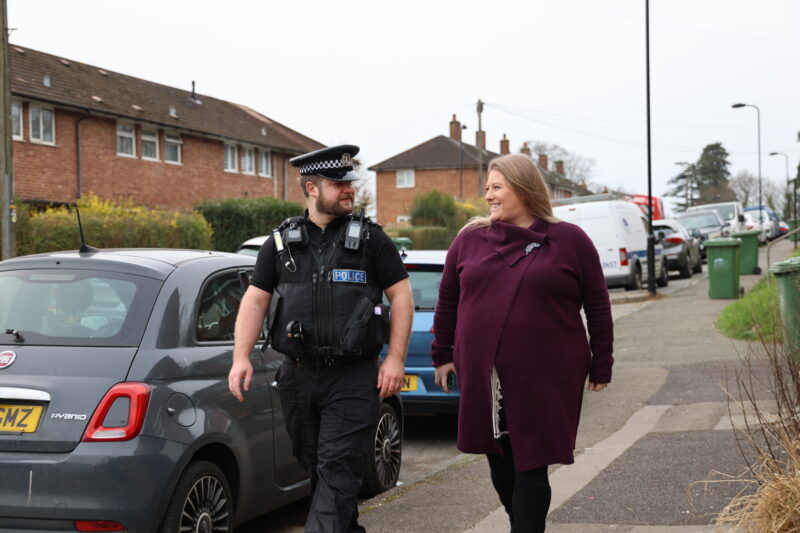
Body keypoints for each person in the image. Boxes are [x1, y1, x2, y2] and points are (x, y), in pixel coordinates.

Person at [228, 144, 413, 533]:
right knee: (321, 470)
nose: (349, 189)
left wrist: (395, 359)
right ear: (312, 188)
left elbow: (401, 296)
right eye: (338, 182)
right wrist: (240, 356)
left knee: (336, 466)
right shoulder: (280, 244)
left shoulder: (371, 240)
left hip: (352, 377)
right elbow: (255, 299)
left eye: (350, 181)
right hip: (297, 376)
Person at [431, 153, 613, 532]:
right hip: (487, 377)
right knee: (501, 464)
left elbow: (597, 303)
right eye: (487, 189)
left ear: (524, 189)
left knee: (532, 464)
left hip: (548, 375)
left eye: (497, 187)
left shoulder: (568, 240)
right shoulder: (469, 240)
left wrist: (602, 362)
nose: (489, 196)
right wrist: (442, 355)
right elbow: (447, 300)